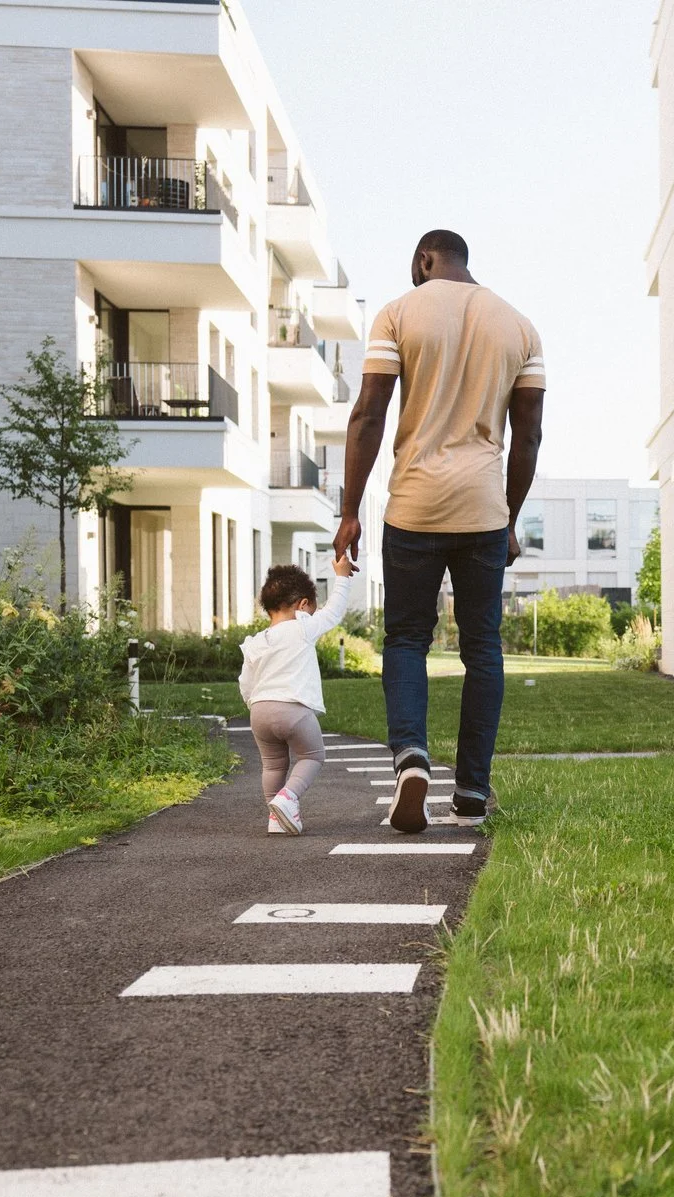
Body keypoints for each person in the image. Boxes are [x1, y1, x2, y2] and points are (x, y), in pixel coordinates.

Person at [333, 229, 544, 833]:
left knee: (405, 640)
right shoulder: (520, 327)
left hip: (415, 507)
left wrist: (349, 511)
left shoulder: (399, 314)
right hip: (483, 509)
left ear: (426, 260)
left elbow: (369, 413)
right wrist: (509, 514)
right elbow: (527, 437)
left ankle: (411, 760)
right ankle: (473, 791)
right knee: (483, 647)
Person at [239, 554, 355, 834]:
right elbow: (335, 610)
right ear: (303, 605)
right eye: (312, 609)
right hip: (293, 708)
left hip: (260, 711)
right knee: (313, 756)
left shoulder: (256, 642)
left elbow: (245, 682)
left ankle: (275, 819)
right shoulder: (303, 627)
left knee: (272, 765)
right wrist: (342, 576)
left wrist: (255, 706)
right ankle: (288, 798)